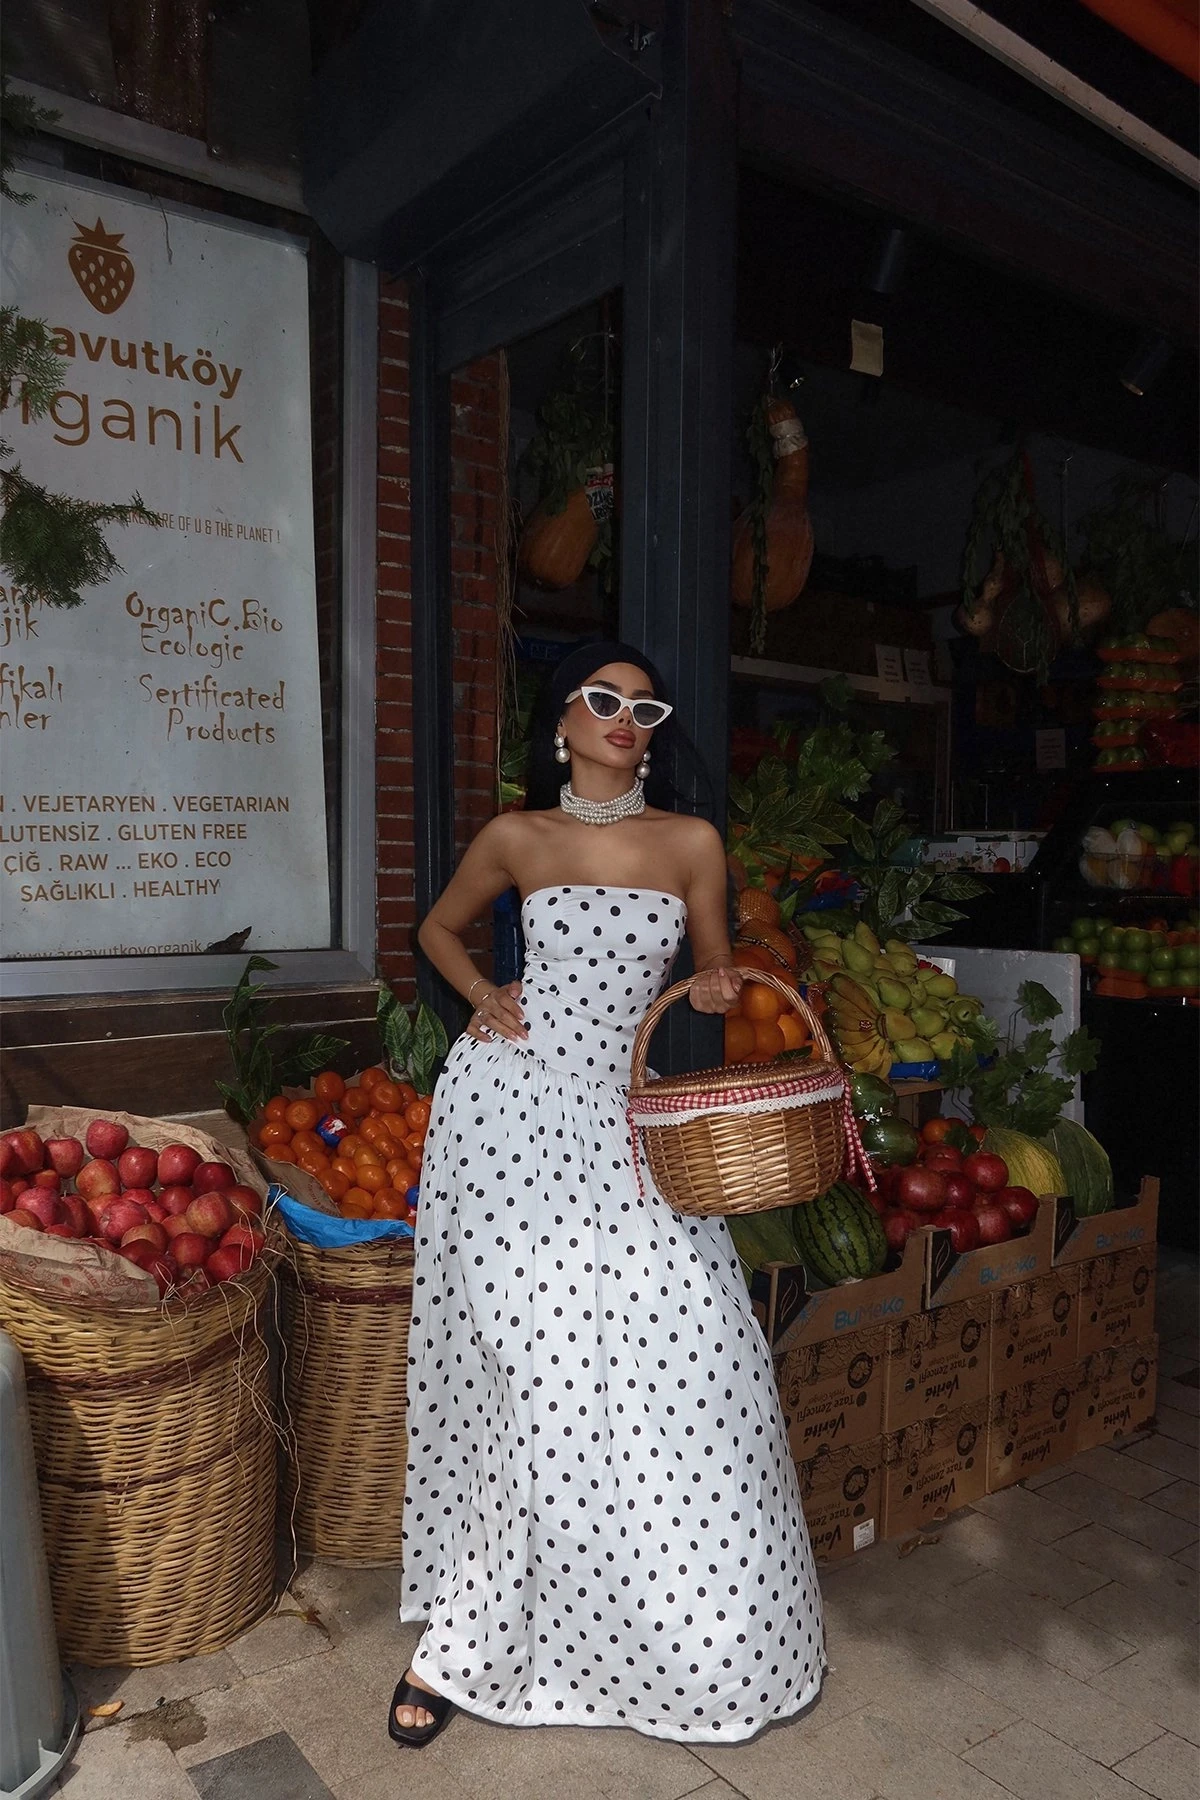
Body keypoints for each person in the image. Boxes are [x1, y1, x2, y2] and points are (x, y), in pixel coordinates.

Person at [390, 641, 825, 1749]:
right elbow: (434, 929)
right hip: (509, 1118)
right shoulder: (515, 835)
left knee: (691, 1353)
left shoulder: (691, 842)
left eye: (643, 705)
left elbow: (713, 976)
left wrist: (722, 984)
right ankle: (468, 1637)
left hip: (626, 1119)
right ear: (562, 724)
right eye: (602, 700)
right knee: (524, 1366)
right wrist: (487, 995)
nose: (625, 717)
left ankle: (684, 1633)